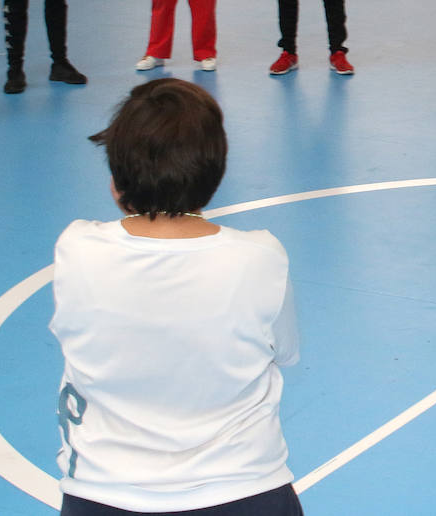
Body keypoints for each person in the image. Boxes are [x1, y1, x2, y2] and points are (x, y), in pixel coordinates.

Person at [50, 78, 302, 516]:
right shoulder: (260, 257)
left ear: (116, 180)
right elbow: (284, 351)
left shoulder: (76, 249)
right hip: (244, 490)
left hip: (103, 492)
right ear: (215, 172)